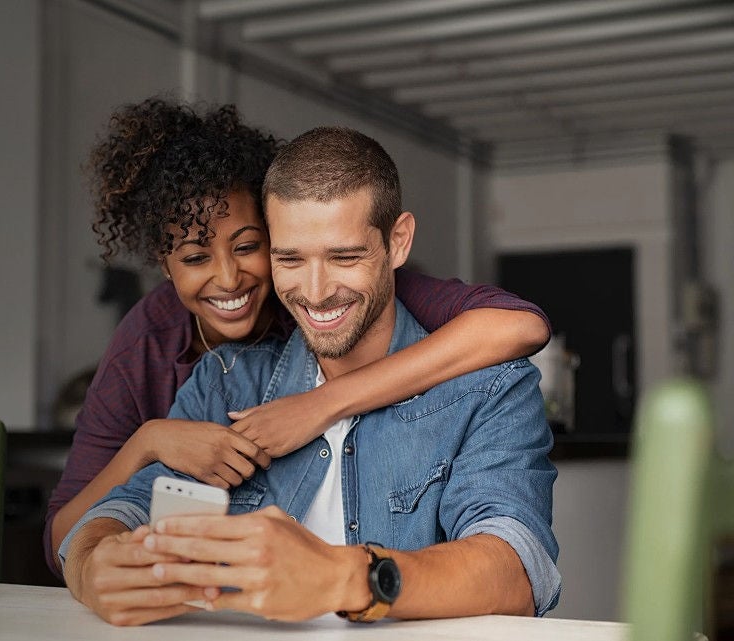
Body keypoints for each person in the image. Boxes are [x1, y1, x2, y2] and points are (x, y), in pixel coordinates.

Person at [59, 126, 559, 626]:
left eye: (344, 257)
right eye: (290, 259)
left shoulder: (489, 388)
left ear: (398, 241)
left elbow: (515, 569)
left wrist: (343, 578)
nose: (316, 292)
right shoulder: (225, 382)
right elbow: (121, 510)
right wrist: (91, 564)